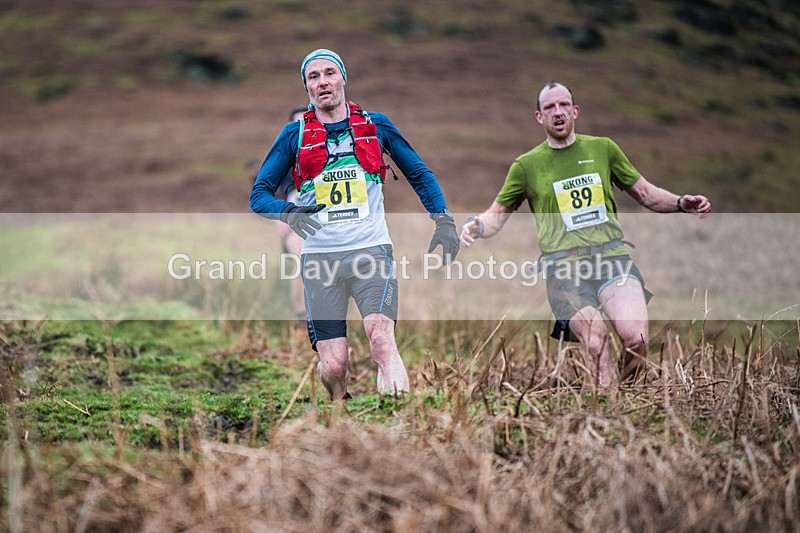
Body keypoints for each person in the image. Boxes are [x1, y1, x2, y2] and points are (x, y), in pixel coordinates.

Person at [460, 81, 711, 387]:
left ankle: (625, 396)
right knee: (596, 343)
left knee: (637, 339)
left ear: (575, 111)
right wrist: (477, 225)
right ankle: (606, 406)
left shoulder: (603, 149)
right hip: (564, 268)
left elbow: (645, 193)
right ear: (539, 117)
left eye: (564, 105)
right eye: (549, 107)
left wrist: (681, 203)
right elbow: (497, 215)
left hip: (612, 258)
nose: (558, 112)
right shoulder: (526, 166)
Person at [250, 49, 460, 400]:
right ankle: (340, 415)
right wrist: (288, 213)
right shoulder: (293, 135)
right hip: (320, 259)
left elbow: (420, 174)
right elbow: (259, 195)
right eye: (313, 77)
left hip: (371, 249)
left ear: (343, 78)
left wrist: (443, 220)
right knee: (333, 366)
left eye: (329, 73)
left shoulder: (375, 125)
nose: (322, 82)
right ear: (307, 88)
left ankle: (397, 424)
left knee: (381, 339)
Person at [247, 107, 309, 320]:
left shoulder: (333, 152)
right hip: (294, 221)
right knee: (302, 259)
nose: (304, 128)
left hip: (329, 220)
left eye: (308, 121)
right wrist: (281, 215)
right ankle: (301, 315)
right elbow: (263, 193)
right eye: (297, 124)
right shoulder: (284, 158)